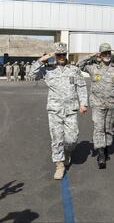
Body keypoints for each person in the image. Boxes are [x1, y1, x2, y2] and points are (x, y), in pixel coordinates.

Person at [29, 42, 88, 180]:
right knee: (57, 138)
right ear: (55, 55)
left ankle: (68, 152)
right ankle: (59, 165)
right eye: (58, 54)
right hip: (55, 109)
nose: (61, 56)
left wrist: (83, 103)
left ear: (66, 54)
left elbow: (81, 86)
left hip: (71, 109)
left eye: (63, 54)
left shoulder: (74, 69)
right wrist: (40, 60)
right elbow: (31, 75)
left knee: (72, 139)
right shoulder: (48, 70)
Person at [79, 43, 114, 168]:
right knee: (99, 128)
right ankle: (101, 155)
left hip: (112, 103)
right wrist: (92, 55)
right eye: (104, 53)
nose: (107, 55)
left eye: (109, 53)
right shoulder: (93, 68)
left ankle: (105, 149)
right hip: (97, 104)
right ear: (100, 54)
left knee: (108, 129)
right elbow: (79, 65)